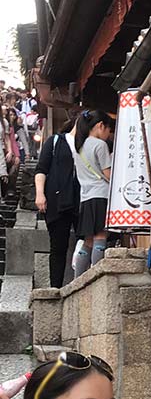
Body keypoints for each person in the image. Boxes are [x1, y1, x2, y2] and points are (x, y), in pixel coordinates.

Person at [35, 118, 80, 288]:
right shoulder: (55, 141)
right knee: (58, 246)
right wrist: (40, 194)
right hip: (57, 199)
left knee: (85, 240)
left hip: (82, 199)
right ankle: (55, 288)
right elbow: (41, 169)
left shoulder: (90, 144)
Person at [71, 110, 113, 279]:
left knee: (88, 240)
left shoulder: (79, 147)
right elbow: (108, 174)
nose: (109, 134)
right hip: (101, 194)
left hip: (86, 197)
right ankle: (97, 278)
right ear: (100, 126)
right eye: (108, 129)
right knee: (101, 236)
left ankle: (77, 280)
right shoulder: (100, 145)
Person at [3, 109, 20, 178]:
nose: (12, 117)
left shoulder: (10, 127)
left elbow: (12, 141)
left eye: (13, 115)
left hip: (8, 151)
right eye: (10, 115)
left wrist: (17, 155)